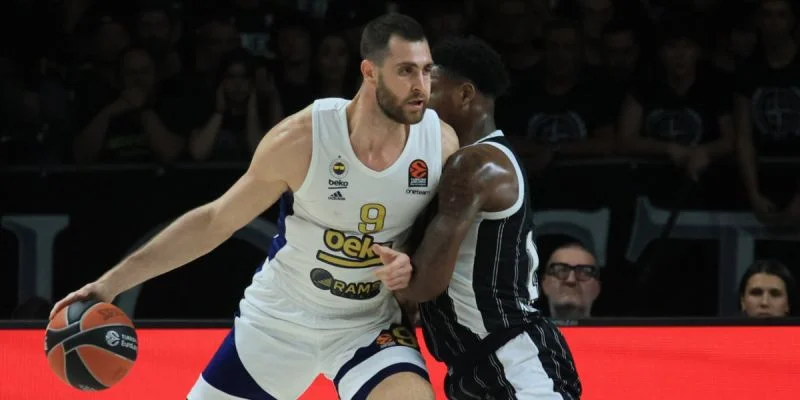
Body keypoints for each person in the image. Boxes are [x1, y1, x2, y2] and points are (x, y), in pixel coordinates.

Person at [50, 13, 459, 400]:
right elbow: (214, 221)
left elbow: (443, 238)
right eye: (406, 71)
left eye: (426, 70)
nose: (421, 85)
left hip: (369, 326)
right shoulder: (302, 138)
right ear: (370, 71)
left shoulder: (439, 144)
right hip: (280, 321)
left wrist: (412, 263)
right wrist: (110, 284)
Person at [372, 37, 582, 399]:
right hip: (477, 367)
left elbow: (423, 286)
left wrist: (383, 275)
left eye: (431, 88)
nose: (420, 98)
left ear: (465, 94)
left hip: (516, 364)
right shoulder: (472, 161)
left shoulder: (474, 164)